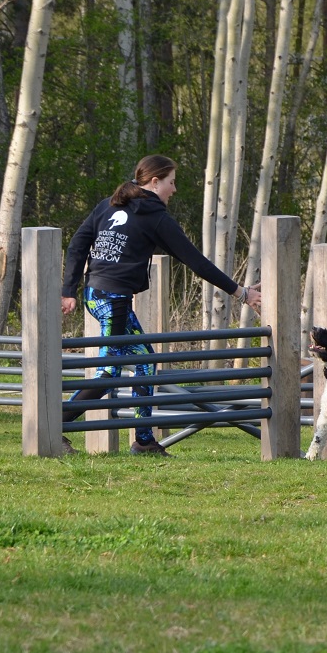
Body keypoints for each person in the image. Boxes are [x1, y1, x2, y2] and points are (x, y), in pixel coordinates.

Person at [60, 154, 261, 456]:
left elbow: (77, 244)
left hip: (96, 294)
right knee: (109, 371)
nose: (174, 189)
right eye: (171, 182)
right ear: (154, 182)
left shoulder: (109, 204)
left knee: (144, 362)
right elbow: (196, 262)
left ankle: (144, 441)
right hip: (112, 299)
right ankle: (54, 426)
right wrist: (241, 293)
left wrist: (70, 290)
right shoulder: (154, 216)